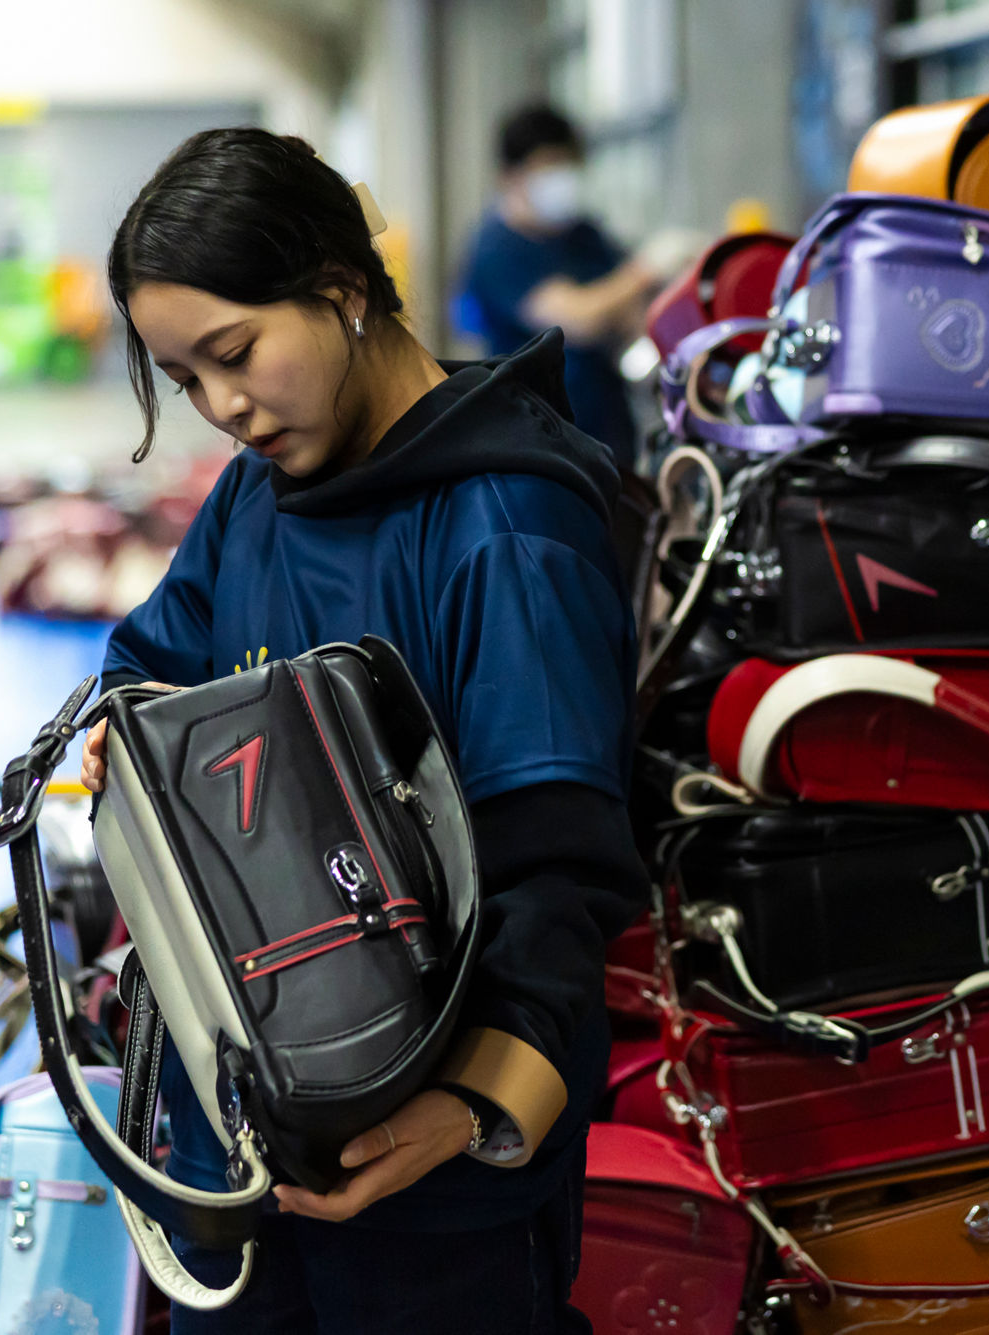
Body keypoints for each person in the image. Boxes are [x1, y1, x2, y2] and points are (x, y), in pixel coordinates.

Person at [76, 126, 648, 1333]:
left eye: (235, 354)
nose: (224, 409)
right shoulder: (258, 495)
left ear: (341, 291)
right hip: (242, 1130)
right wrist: (124, 731)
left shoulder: (503, 528)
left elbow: (561, 870)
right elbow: (150, 660)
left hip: (426, 1186)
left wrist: (469, 1112)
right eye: (185, 381)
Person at [459, 104, 680, 468]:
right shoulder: (497, 249)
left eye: (569, 163)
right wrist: (647, 269)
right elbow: (577, 320)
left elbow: (632, 309)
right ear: (510, 176)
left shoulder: (583, 234)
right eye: (549, 166)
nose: (562, 178)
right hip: (536, 440)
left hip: (607, 431)